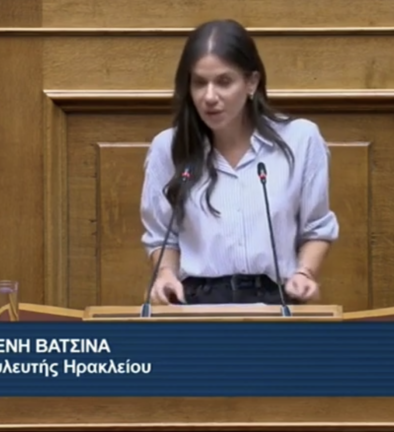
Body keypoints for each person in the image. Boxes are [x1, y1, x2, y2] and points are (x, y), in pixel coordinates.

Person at [140, 19, 339, 306]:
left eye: (224, 82)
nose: (209, 97)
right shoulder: (168, 148)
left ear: (251, 83)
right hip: (195, 305)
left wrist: (305, 273)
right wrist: (166, 274)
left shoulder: (300, 139)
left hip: (274, 302)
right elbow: (162, 236)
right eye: (199, 83)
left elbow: (317, 227)